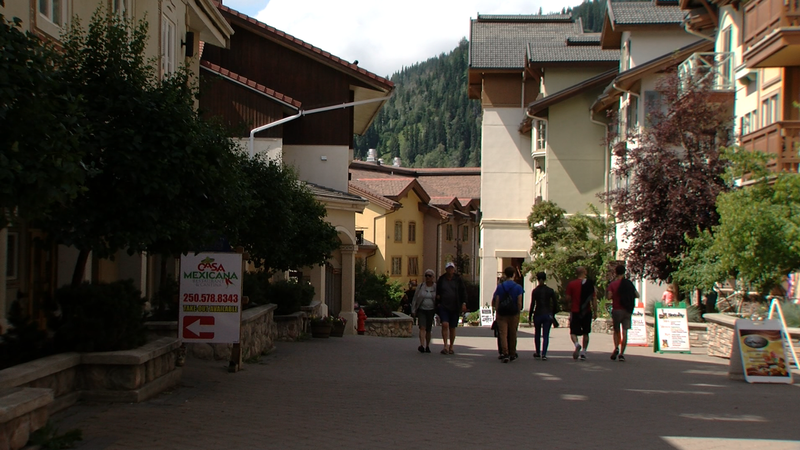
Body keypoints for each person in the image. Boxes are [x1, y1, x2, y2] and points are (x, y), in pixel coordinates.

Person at [607, 265, 639, 362]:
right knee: (625, 332)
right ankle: (622, 353)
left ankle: (616, 347)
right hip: (627, 310)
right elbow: (637, 295)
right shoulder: (629, 284)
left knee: (616, 330)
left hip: (617, 309)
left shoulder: (613, 284)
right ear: (624, 272)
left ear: (616, 272)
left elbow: (609, 297)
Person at [492, 266, 524, 363]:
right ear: (514, 274)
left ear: (505, 275)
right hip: (513, 313)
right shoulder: (518, 287)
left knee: (503, 334)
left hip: (502, 313)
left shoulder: (500, 287)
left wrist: (497, 311)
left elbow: (497, 300)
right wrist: (518, 311)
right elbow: (519, 302)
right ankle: (512, 353)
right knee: (513, 333)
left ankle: (505, 353)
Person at [565, 266, 597, 361]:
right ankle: (584, 351)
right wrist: (595, 311)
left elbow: (567, 298)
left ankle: (576, 344)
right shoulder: (589, 285)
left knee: (573, 332)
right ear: (584, 272)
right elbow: (593, 299)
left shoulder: (571, 284)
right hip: (587, 311)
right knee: (586, 332)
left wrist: (569, 304)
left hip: (575, 311)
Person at [435, 261, 466, 355]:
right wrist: (438, 301)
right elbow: (437, 291)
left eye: (451, 268)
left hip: (455, 306)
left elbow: (463, 292)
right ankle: (445, 345)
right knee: (445, 324)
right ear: (446, 269)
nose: (450, 270)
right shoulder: (442, 279)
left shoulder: (458, 279)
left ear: (453, 269)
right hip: (444, 306)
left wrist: (463, 303)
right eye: (448, 268)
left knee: (452, 327)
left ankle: (451, 346)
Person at [528, 272, 558, 361]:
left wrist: (530, 316)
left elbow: (532, 304)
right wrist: (552, 313)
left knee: (537, 334)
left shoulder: (535, 291)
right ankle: (544, 353)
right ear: (545, 279)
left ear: (537, 279)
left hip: (538, 313)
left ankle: (537, 352)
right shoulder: (550, 291)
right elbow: (555, 304)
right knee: (546, 335)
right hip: (547, 313)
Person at [411, 269, 437, 353]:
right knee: (422, 327)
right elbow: (415, 298)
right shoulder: (421, 286)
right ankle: (422, 345)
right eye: (426, 275)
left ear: (433, 277)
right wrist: (413, 309)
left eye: (429, 276)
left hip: (431, 310)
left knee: (428, 329)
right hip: (422, 309)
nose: (427, 277)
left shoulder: (436, 287)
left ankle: (427, 346)